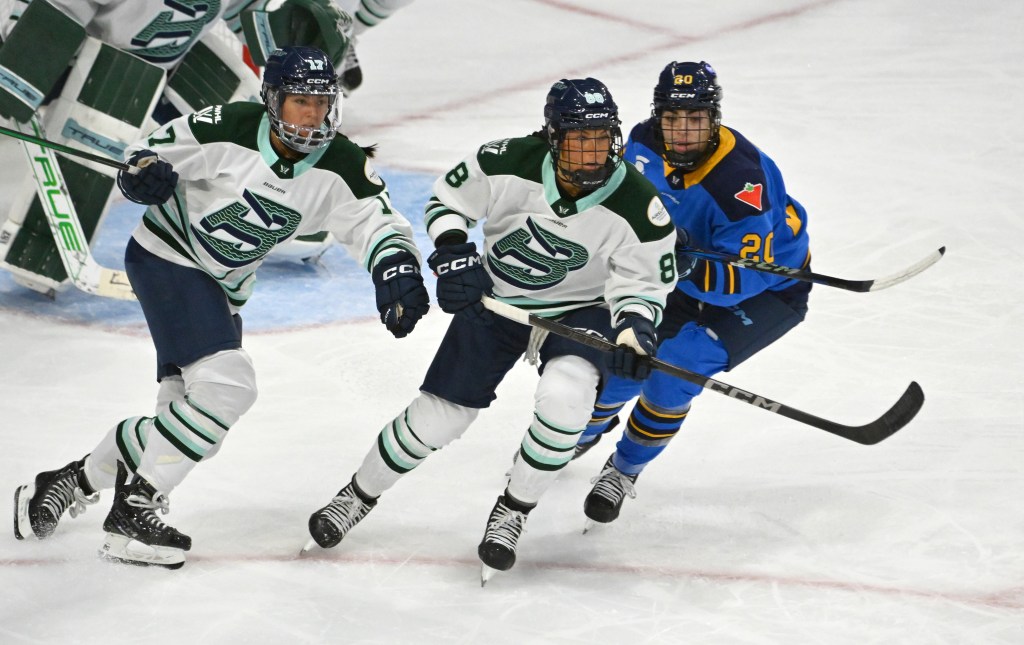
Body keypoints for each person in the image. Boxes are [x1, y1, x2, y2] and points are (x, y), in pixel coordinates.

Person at [12, 46, 430, 569]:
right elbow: (147, 153)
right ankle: (132, 510)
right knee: (230, 386)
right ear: (273, 100)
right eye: (301, 101)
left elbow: (379, 223)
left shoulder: (341, 164)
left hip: (221, 291)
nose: (314, 114)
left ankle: (67, 482)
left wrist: (396, 267)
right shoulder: (231, 127)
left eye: (323, 102)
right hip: (168, 258)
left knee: (189, 430)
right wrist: (144, 173)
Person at [303, 77, 679, 582]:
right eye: (577, 139)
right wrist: (455, 250)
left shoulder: (637, 203)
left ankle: (513, 511)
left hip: (579, 313)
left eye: (600, 139)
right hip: (498, 302)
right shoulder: (505, 161)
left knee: (566, 401)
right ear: (552, 136)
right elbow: (447, 203)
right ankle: (357, 495)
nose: (591, 154)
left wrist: (635, 330)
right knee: (437, 418)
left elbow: (643, 284)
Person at [574, 61, 812, 528]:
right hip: (687, 268)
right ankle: (585, 428)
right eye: (672, 118)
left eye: (696, 119)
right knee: (623, 355)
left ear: (713, 117)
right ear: (657, 116)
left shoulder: (739, 185)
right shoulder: (641, 142)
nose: (682, 131)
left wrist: (676, 255)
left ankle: (623, 471)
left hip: (765, 289)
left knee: (672, 371)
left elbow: (733, 287)